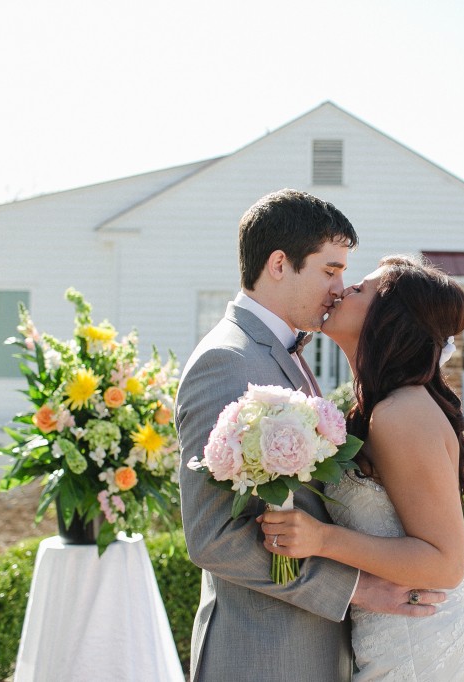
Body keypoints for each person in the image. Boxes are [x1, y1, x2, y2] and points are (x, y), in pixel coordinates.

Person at [176, 191, 444, 682]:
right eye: (330, 270)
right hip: (264, 656)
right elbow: (212, 538)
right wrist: (356, 589)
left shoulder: (287, 352)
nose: (340, 287)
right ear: (280, 264)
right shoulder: (227, 361)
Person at [259, 254, 464, 680]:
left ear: (390, 318)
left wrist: (322, 539)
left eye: (361, 289)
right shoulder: (377, 408)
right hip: (394, 633)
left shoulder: (402, 412)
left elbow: (444, 564)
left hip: (423, 647)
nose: (342, 289)